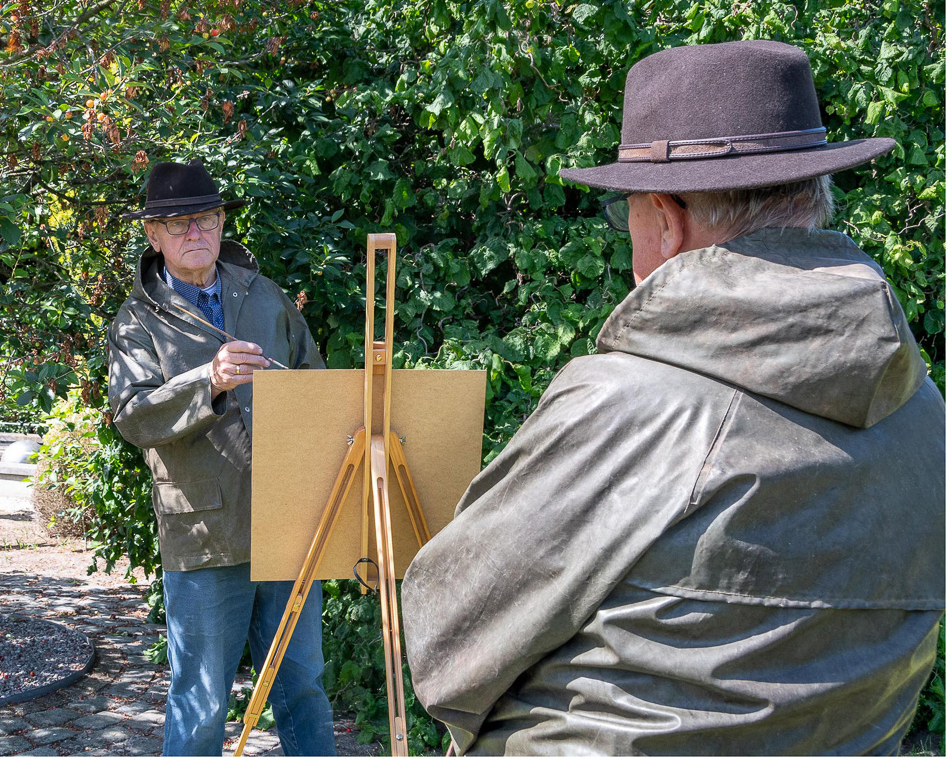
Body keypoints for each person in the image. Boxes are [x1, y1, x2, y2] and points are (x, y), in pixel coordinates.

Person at [400, 40, 945, 755]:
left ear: (664, 219)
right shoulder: (920, 409)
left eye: (624, 212)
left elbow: (447, 638)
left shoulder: (628, 402)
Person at [108, 161, 337, 756]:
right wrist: (205, 382)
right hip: (204, 532)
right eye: (178, 223)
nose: (195, 232)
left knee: (303, 686)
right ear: (153, 235)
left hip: (288, 526)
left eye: (205, 218)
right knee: (201, 700)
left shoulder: (264, 295)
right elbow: (132, 417)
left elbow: (314, 386)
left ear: (221, 221)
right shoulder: (138, 321)